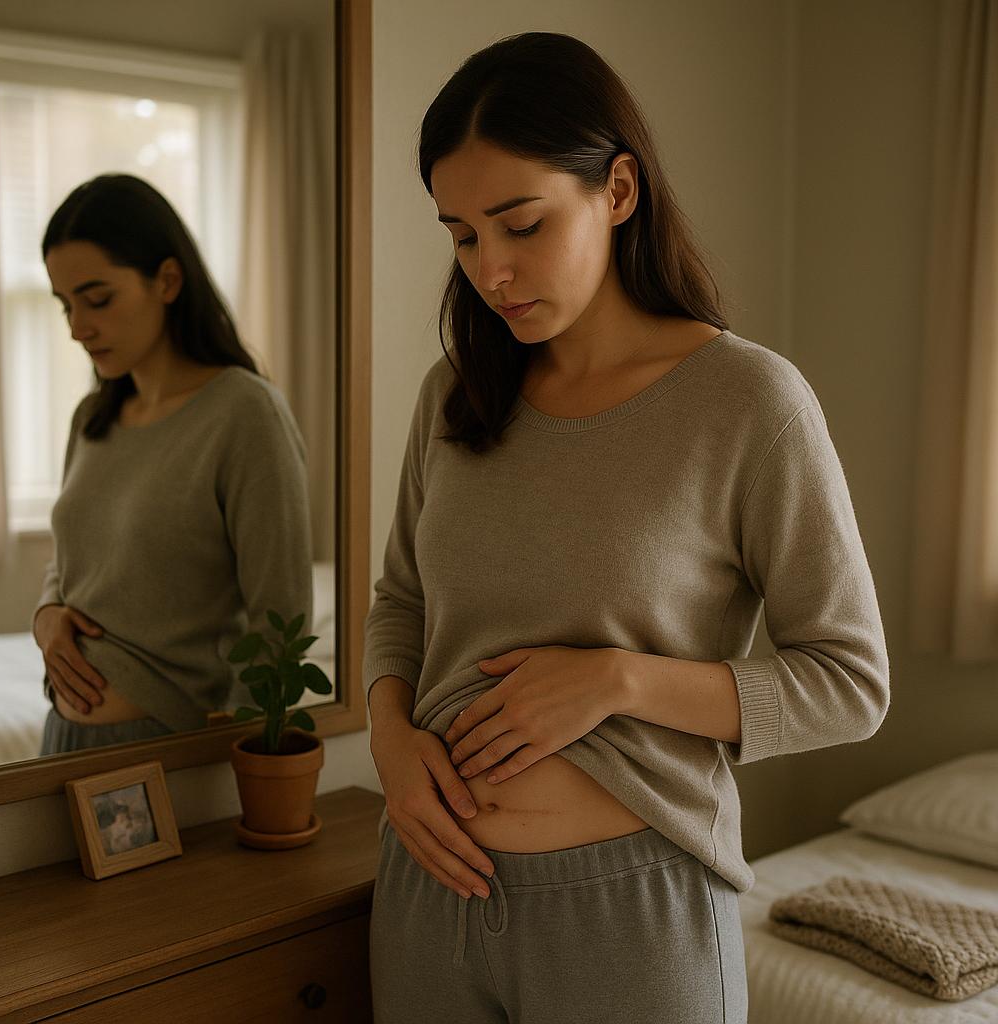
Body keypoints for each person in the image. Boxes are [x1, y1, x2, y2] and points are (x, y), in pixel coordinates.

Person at [362, 32, 889, 1024]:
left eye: (521, 224)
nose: (491, 270)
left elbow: (849, 684)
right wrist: (391, 739)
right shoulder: (457, 394)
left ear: (616, 190)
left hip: (630, 913)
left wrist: (617, 679)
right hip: (427, 895)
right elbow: (401, 601)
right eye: (463, 235)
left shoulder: (747, 403)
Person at [33, 174, 312, 756]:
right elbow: (69, 563)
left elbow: (279, 618)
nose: (78, 327)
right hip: (61, 737)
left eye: (98, 298)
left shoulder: (243, 412)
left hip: (168, 747)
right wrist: (47, 616)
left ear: (167, 280)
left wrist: (242, 757)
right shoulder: (92, 418)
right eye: (66, 305)